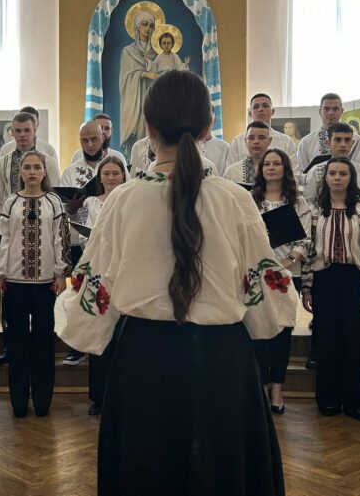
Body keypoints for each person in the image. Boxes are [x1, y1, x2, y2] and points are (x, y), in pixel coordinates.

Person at [56, 70, 297, 496]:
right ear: (207, 128)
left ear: (149, 128)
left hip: (143, 361)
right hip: (222, 361)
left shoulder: (123, 199)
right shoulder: (235, 199)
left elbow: (89, 307)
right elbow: (269, 303)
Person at [301, 157, 360, 420]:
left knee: (355, 342)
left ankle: (355, 400)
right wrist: (307, 287)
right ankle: (328, 398)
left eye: (343, 174)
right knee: (326, 342)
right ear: (325, 178)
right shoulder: (315, 211)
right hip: (324, 280)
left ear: (351, 178)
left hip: (355, 280)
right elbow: (309, 251)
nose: (337, 178)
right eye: (332, 173)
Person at [0, 151, 70, 418]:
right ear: (21, 172)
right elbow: (2, 240)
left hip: (45, 283)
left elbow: (61, 239)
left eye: (37, 167)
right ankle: (18, 401)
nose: (33, 171)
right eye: (27, 167)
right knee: (17, 342)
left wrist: (61, 273)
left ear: (44, 171)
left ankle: (42, 401)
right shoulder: (11, 202)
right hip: (14, 282)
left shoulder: (54, 202)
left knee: (43, 342)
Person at [250, 148, 311, 414]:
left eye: (277, 163)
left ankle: (277, 387)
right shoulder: (251, 200)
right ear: (261, 169)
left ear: (285, 168)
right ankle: (262, 384)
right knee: (259, 331)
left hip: (286, 274)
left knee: (282, 332)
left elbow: (306, 237)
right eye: (267, 164)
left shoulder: (297, 201)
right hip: (257, 275)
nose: (271, 167)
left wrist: (288, 261)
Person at [81, 157, 128, 415]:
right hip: (98, 270)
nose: (111, 177)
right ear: (99, 177)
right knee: (99, 332)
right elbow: (82, 235)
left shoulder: (130, 200)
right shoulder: (91, 203)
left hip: (123, 272)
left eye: (115, 173)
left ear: (123, 175)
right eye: (106, 173)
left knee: (122, 336)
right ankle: (98, 396)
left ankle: (121, 395)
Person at [60, 121, 109, 366]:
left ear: (103, 137)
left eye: (94, 139)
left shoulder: (115, 164)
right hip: (82, 240)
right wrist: (72, 206)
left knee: (106, 291)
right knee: (79, 292)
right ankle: (78, 345)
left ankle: (107, 340)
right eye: (85, 140)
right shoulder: (71, 171)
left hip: (110, 243)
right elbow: (66, 211)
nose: (89, 145)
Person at [0, 112, 61, 232]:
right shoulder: (1, 163)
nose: (22, 134)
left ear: (35, 131)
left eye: (27, 130)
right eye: (18, 131)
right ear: (12, 132)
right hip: (11, 226)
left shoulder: (49, 162)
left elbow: (55, 197)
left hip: (43, 226)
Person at [303, 123, 360, 204]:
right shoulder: (316, 171)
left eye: (347, 140)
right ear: (328, 143)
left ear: (352, 143)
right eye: (337, 140)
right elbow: (307, 202)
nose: (343, 145)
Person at [119, 10, 158, 157]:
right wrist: (143, 74)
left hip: (153, 99)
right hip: (135, 98)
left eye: (151, 25)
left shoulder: (158, 53)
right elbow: (125, 78)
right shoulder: (128, 51)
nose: (148, 28)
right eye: (145, 24)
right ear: (137, 27)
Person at [297, 93, 360, 174]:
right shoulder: (306, 142)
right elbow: (301, 174)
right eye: (326, 109)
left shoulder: (355, 139)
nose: (330, 113)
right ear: (320, 111)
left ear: (341, 111)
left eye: (335, 109)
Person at [229, 94, 298, 169]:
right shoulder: (238, 141)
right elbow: (230, 171)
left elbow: (294, 172)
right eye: (256, 107)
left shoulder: (286, 142)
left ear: (272, 111)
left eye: (265, 106)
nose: (260, 109)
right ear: (250, 114)